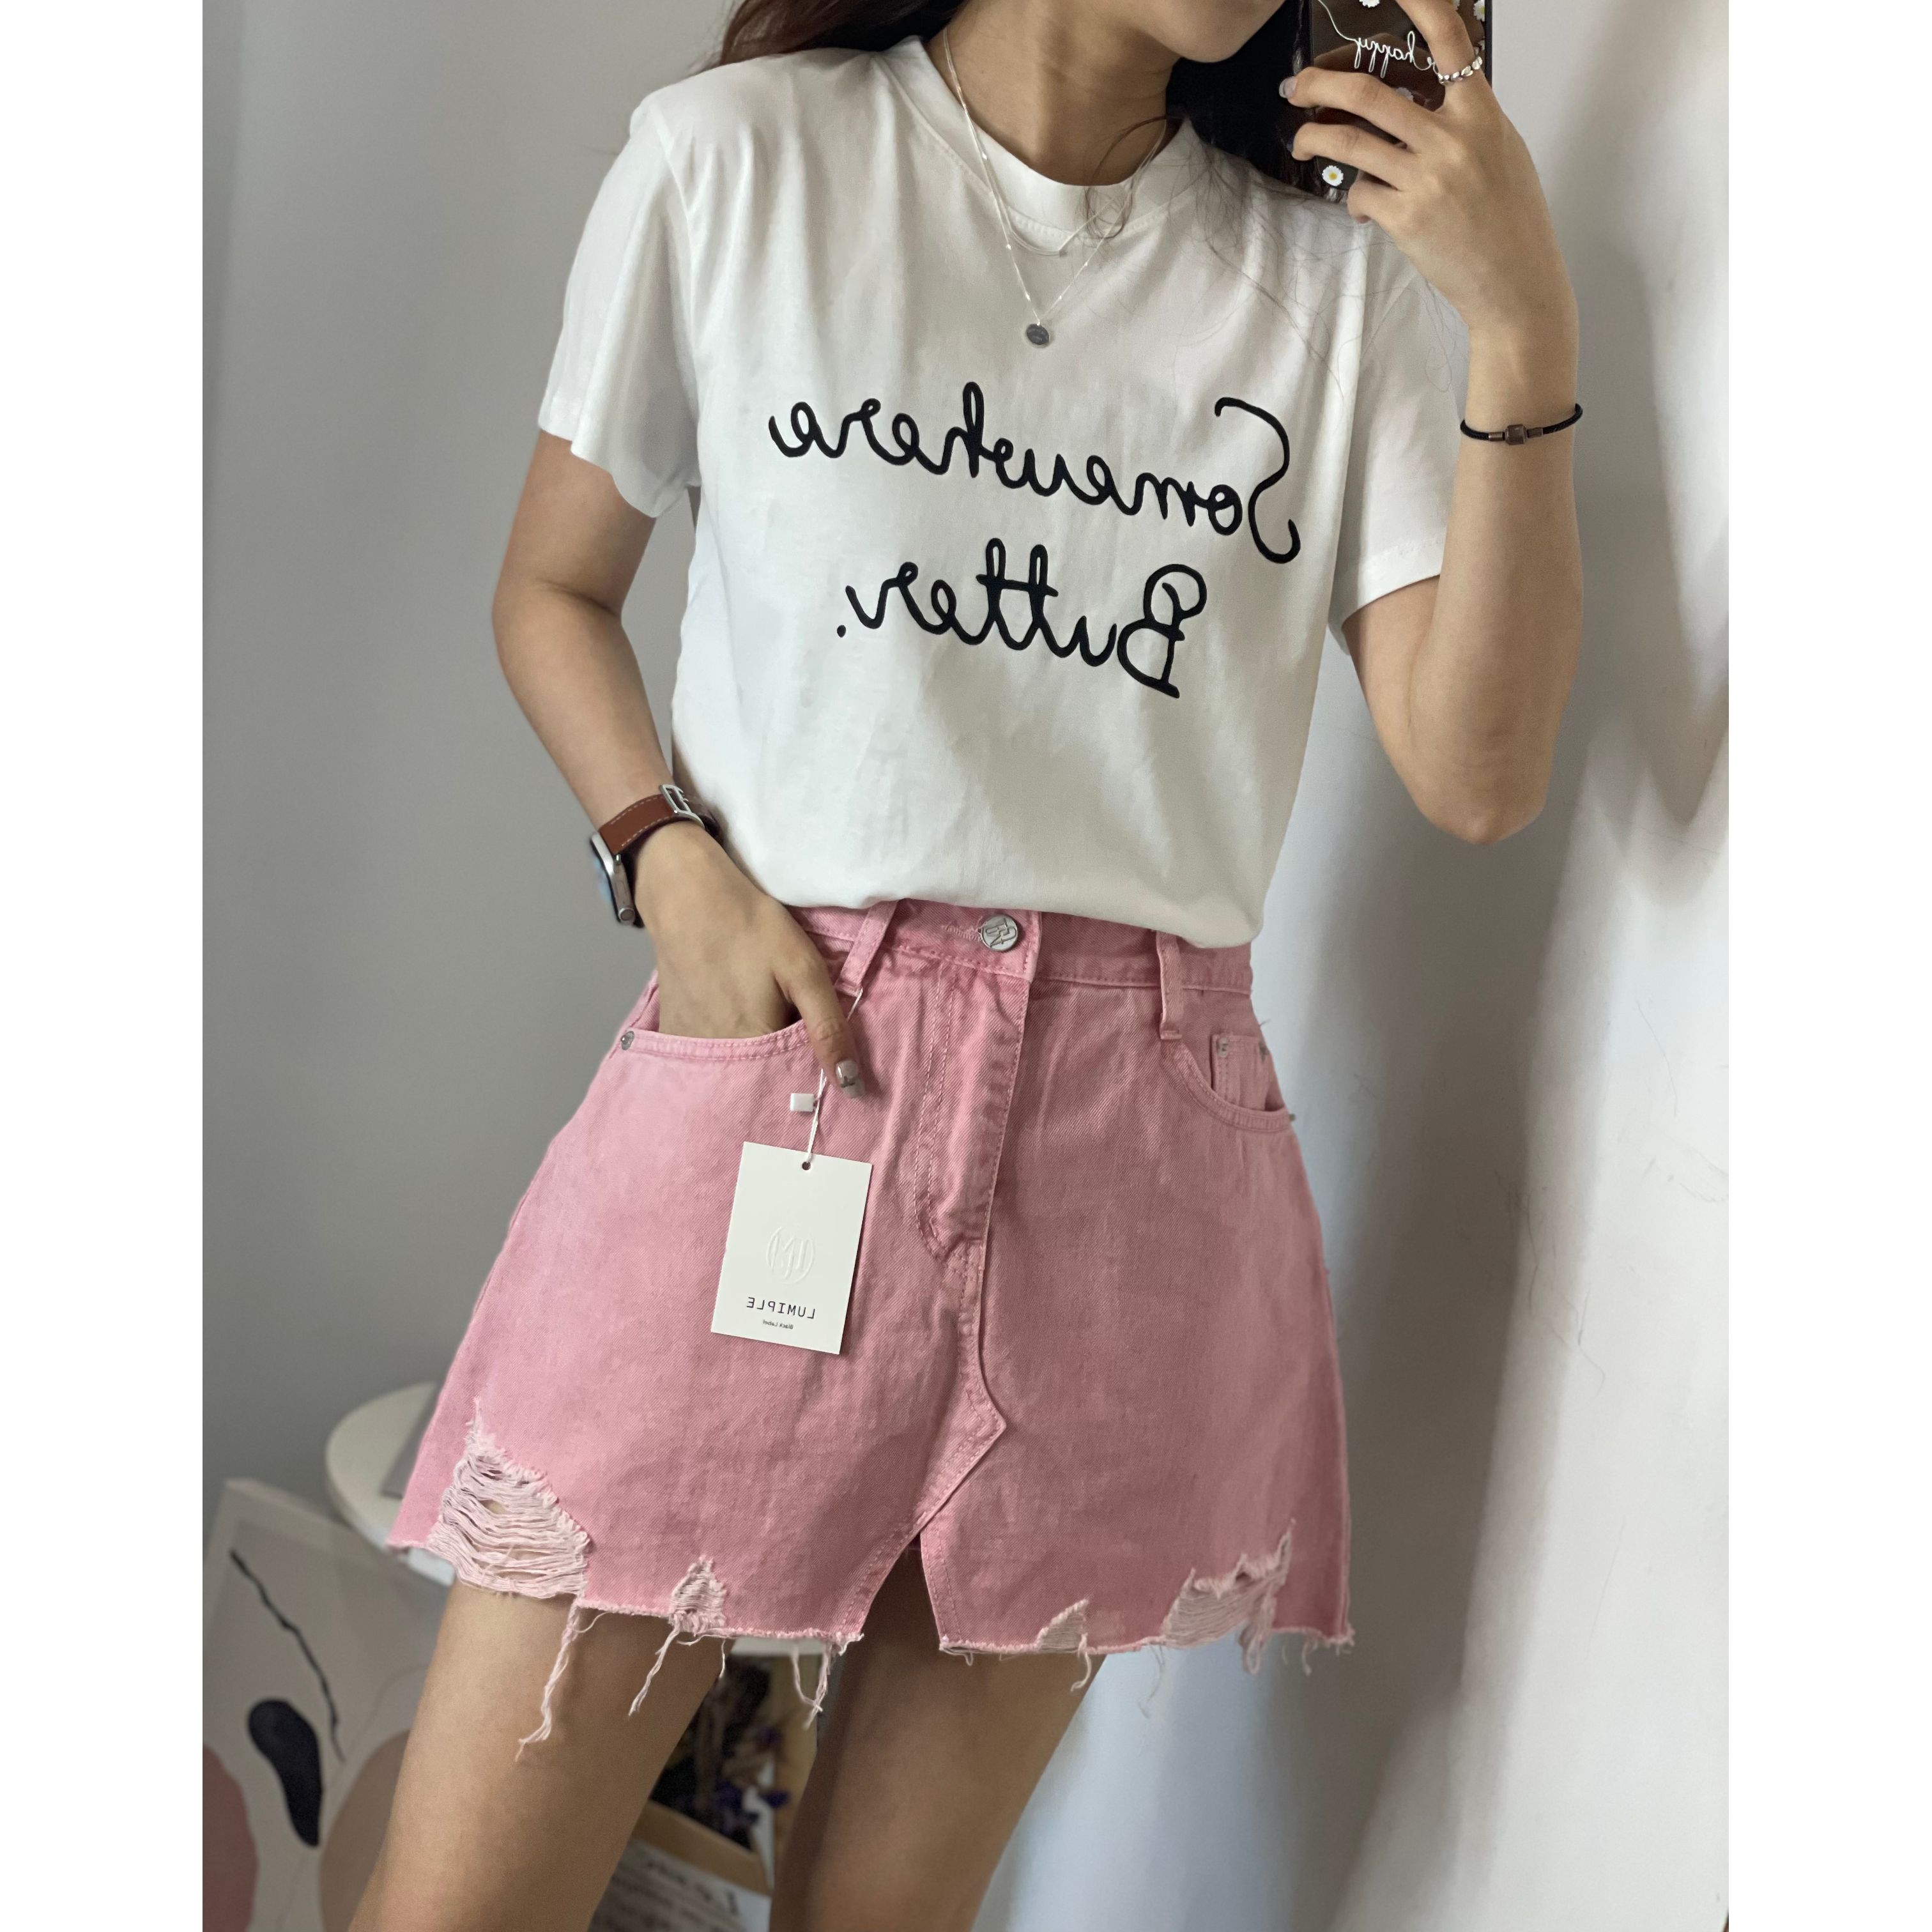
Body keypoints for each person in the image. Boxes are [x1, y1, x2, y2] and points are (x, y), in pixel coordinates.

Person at [353, 1, 1579, 1926]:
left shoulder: (1331, 292)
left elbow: (1481, 774)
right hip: (790, 1073)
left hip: (1133, 1154)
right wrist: (659, 854)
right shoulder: (739, 165)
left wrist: (1520, 331)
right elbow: (553, 587)